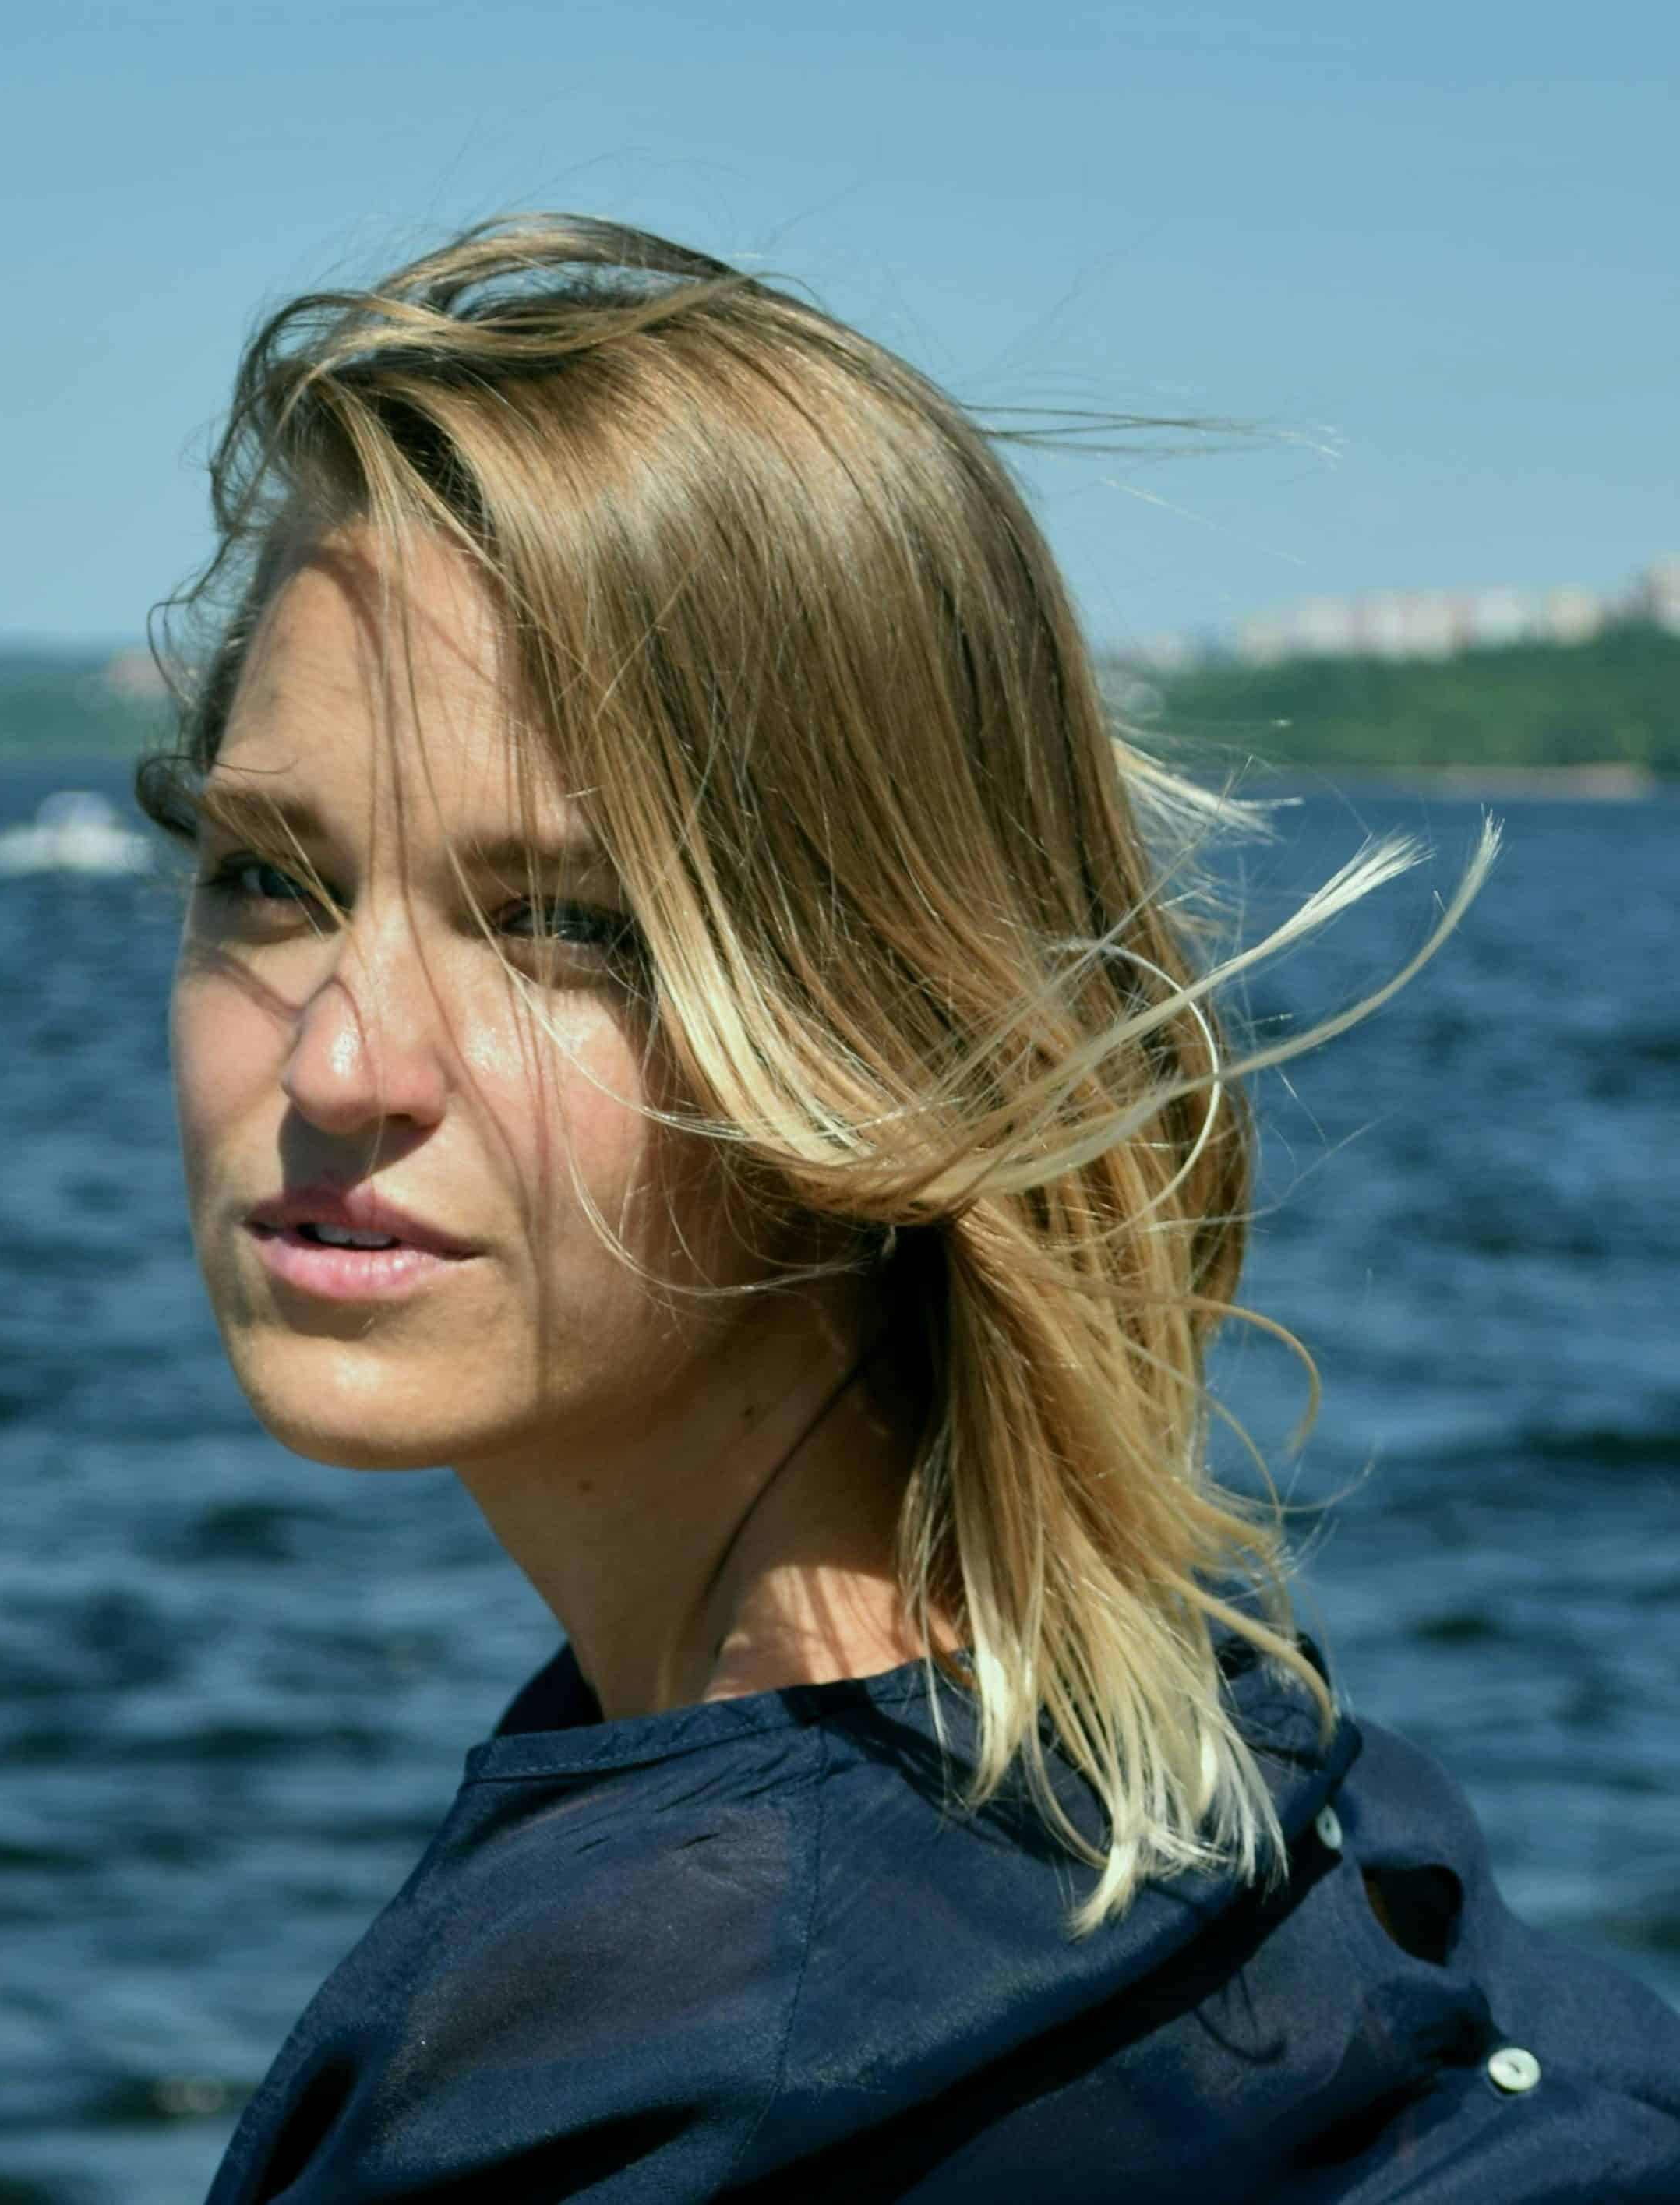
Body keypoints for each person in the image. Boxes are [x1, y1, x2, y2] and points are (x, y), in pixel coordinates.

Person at [135, 214, 1680, 2202]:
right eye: (270, 877)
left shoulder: (668, 2078)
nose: (339, 1058)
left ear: (886, 1015)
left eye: (564, 924)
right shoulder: (1237, 1800)